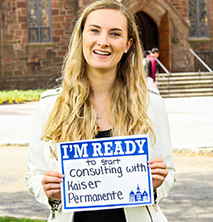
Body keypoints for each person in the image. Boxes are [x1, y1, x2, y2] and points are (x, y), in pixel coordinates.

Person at [25, 1, 176, 221]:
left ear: (127, 44)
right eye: (94, 31)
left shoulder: (150, 104)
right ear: (82, 37)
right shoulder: (51, 105)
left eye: (115, 34)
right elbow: (35, 175)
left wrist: (155, 184)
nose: (103, 42)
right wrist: (48, 190)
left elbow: (169, 173)